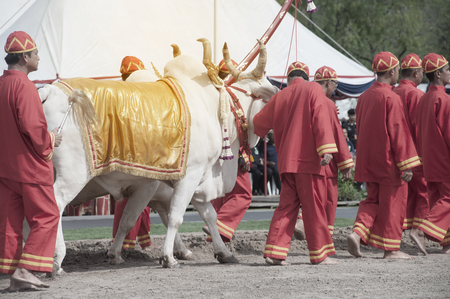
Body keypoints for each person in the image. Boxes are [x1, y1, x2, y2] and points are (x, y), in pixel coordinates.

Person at [254, 61, 338, 265]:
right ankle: (320, 255)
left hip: (285, 164)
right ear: (306, 77)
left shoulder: (279, 96)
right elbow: (320, 116)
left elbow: (257, 124)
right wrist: (325, 147)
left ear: (289, 79)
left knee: (286, 208)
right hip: (308, 162)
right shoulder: (314, 89)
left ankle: (274, 253)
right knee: (314, 207)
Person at [0, 31, 62, 291]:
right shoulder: (24, 85)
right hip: (29, 167)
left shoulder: (2, 84)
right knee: (47, 216)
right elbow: (33, 128)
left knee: (10, 222)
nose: (38, 57)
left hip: (5, 167)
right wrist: (51, 139)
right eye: (35, 53)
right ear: (25, 57)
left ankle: (14, 272)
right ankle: (26, 270)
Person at [347, 51, 420, 260]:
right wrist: (405, 164)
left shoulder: (363, 97)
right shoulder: (391, 97)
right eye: (397, 70)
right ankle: (392, 250)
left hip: (367, 159)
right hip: (388, 162)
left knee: (372, 201)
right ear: (391, 71)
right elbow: (398, 132)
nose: (398, 74)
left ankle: (357, 232)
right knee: (393, 203)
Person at [294, 66, 354, 240]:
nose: (336, 87)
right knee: (328, 201)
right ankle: (322, 238)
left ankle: (302, 221)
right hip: (324, 161)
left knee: (312, 198)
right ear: (328, 82)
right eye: (335, 83)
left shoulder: (302, 100)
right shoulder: (326, 103)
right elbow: (336, 133)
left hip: (302, 158)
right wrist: (345, 163)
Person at [202, 59, 253, 243]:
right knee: (243, 194)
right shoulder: (230, 96)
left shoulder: (209, 95)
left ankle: (216, 237)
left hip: (213, 151)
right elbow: (237, 127)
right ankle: (220, 227)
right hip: (231, 149)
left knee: (220, 194)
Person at [112, 56, 152, 251]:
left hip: (133, 152)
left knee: (145, 199)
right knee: (131, 198)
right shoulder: (132, 97)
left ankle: (139, 241)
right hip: (133, 154)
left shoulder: (122, 94)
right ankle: (124, 244)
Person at [414, 53, 450, 254]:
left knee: (439, 201)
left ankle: (447, 245)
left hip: (429, 159)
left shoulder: (424, 98)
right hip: (444, 159)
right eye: (447, 69)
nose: (449, 73)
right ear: (438, 74)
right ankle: (421, 231)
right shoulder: (443, 99)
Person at [392, 53, 429, 249]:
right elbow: (419, 127)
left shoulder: (393, 91)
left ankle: (397, 233)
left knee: (404, 195)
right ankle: (420, 231)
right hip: (415, 153)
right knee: (423, 193)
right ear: (416, 73)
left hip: (396, 153)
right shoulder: (415, 94)